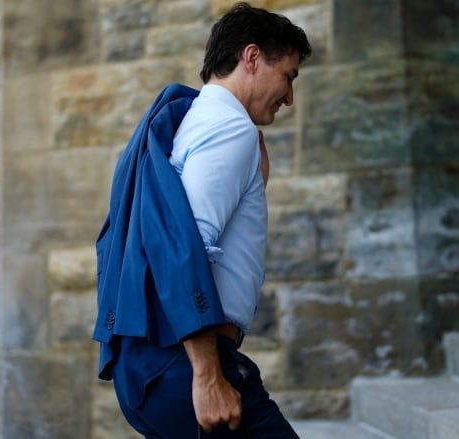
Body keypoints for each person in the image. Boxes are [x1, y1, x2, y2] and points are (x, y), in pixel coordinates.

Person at [92, 3, 312, 438]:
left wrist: (252, 190)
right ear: (251, 58)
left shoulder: (191, 121)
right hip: (184, 363)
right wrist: (209, 376)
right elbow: (180, 248)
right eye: (288, 76)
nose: (289, 97)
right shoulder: (231, 128)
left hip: (155, 363)